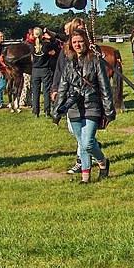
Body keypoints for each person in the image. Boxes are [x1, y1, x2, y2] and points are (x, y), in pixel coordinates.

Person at [54, 28, 115, 184]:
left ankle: (102, 162)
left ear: (86, 42)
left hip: (91, 105)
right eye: (74, 42)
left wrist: (109, 111)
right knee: (82, 144)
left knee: (87, 142)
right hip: (74, 107)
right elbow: (62, 88)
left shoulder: (95, 61)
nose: (78, 45)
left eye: (80, 41)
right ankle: (85, 177)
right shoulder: (69, 64)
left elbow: (105, 87)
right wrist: (57, 111)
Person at [52, 18, 87, 174]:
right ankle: (91, 145)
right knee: (73, 129)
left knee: (81, 128)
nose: (81, 29)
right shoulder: (66, 49)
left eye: (83, 27)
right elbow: (59, 69)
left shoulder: (90, 48)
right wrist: (55, 88)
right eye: (78, 27)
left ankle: (82, 161)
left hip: (86, 94)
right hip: (69, 93)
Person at [30, 27, 54, 118]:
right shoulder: (46, 45)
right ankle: (47, 111)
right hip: (45, 69)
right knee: (46, 91)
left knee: (35, 91)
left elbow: (32, 58)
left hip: (35, 70)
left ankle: (36, 111)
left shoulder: (31, 46)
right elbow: (53, 53)